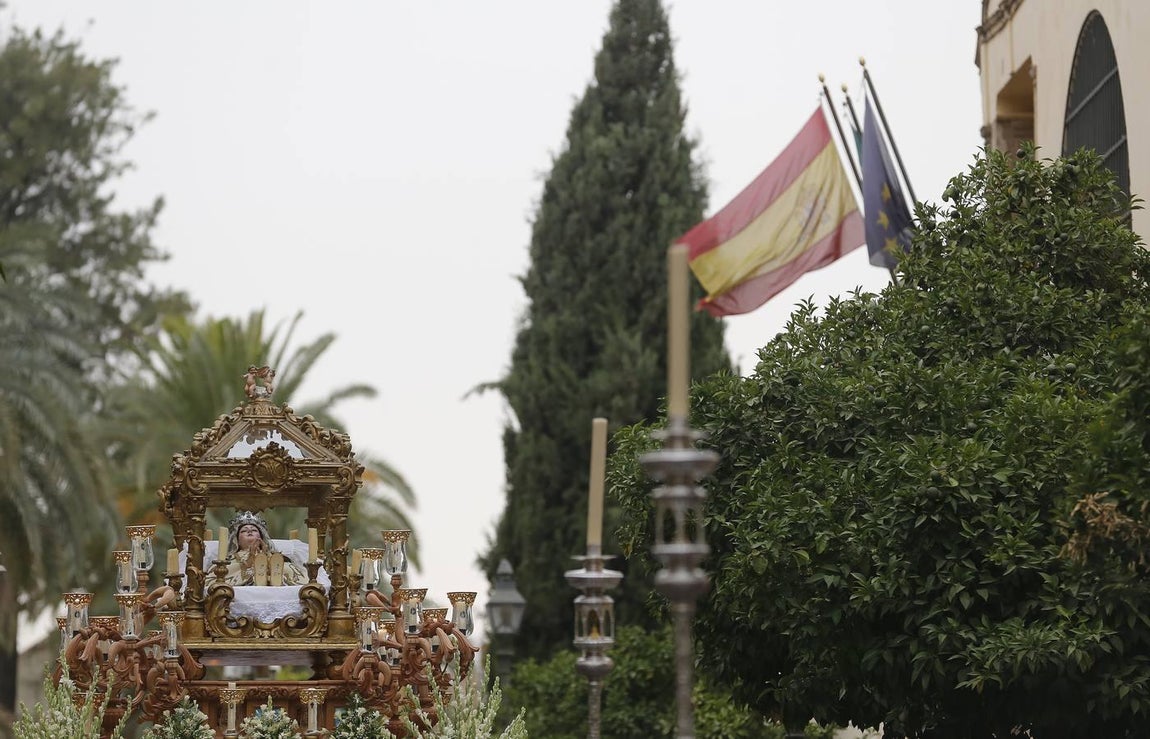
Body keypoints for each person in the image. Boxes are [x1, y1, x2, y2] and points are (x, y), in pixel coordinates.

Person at [208, 511, 307, 586]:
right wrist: (248, 562)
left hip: (272, 574)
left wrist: (267, 556)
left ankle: (270, 574)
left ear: (261, 536)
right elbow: (213, 578)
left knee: (285, 567)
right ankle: (258, 575)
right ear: (237, 540)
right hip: (243, 576)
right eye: (244, 531)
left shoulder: (272, 555)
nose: (249, 531)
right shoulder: (232, 558)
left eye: (254, 530)